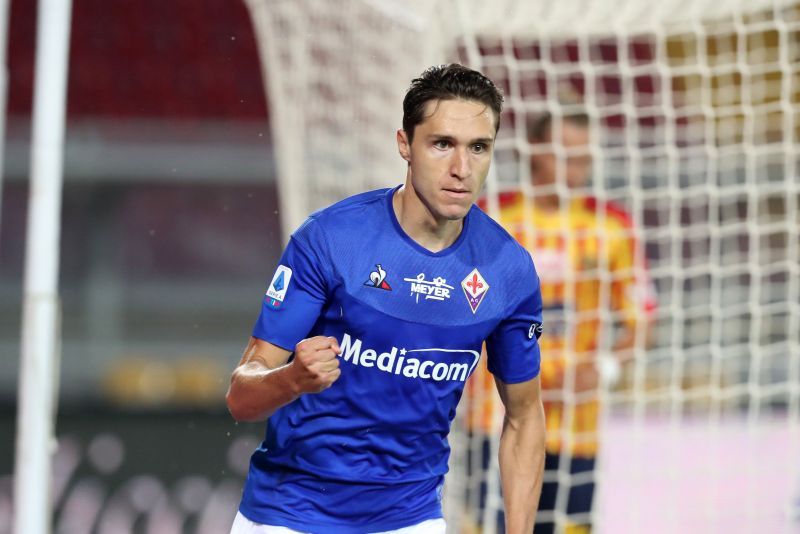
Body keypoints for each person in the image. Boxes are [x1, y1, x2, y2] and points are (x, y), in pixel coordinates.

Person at [225, 64, 547, 534]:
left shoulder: (508, 271)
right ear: (405, 145)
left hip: (409, 518)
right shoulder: (332, 240)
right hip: (290, 514)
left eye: (479, 147)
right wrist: (291, 379)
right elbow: (240, 398)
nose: (462, 168)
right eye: (442, 144)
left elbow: (523, 417)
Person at [468, 108, 656, 533]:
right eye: (566, 154)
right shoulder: (489, 218)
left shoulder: (610, 226)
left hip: (575, 421)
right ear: (536, 150)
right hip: (496, 416)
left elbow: (641, 321)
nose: (577, 167)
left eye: (584, 157)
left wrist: (603, 368)